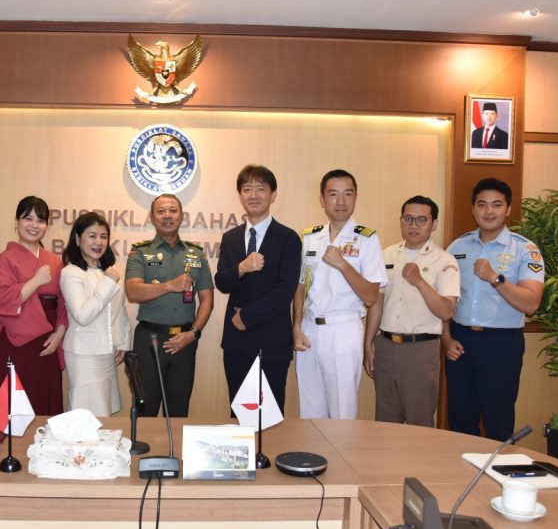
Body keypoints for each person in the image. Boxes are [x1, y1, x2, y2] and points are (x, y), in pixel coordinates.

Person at [443, 178, 544, 441]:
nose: (489, 211)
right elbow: (444, 299)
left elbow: (531, 304)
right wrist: (446, 338)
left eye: (496, 204)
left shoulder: (525, 249)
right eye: (482, 204)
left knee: (498, 421)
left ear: (508, 209)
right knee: (459, 420)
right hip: (460, 341)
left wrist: (495, 278)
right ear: (473, 209)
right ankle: (460, 467)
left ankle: (498, 468)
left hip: (501, 344)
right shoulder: (457, 247)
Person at [292, 169, 386, 419]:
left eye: (348, 194)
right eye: (333, 194)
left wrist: (343, 264)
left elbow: (371, 296)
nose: (341, 201)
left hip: (344, 330)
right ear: (322, 200)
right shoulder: (310, 237)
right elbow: (300, 285)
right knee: (310, 412)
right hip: (309, 329)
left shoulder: (367, 239)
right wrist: (297, 326)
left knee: (342, 413)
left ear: (356, 198)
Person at [363, 196, 459, 427]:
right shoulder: (387, 254)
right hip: (386, 346)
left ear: (433, 224)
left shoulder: (444, 260)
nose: (413, 225)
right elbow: (377, 303)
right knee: (385, 422)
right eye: (408, 219)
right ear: (401, 221)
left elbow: (446, 311)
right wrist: (368, 344)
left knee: (419, 422)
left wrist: (419, 281)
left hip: (421, 350)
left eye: (421, 219)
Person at [215, 164, 301, 412]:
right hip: (236, 341)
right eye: (247, 189)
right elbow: (221, 281)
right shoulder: (231, 237)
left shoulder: (288, 238)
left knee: (269, 415)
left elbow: (286, 289)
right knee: (239, 413)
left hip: (272, 340)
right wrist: (242, 268)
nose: (253, 195)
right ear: (240, 196)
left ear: (273, 195)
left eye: (260, 189)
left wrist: (248, 316)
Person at [125, 194, 214, 417]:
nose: (167, 215)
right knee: (145, 409)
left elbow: (207, 299)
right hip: (149, 339)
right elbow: (133, 292)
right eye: (161, 211)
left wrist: (193, 333)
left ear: (182, 216)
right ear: (152, 217)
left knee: (178, 410)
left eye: (173, 210)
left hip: (185, 340)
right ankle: (144, 442)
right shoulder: (140, 252)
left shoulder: (196, 254)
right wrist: (170, 286)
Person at [0, 196, 68, 415]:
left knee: (42, 399)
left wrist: (59, 333)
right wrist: (35, 282)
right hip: (14, 341)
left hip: (47, 341)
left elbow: (63, 303)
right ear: (17, 222)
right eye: (28, 218)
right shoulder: (5, 259)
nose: (34, 225)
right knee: (13, 404)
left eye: (40, 220)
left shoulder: (55, 261)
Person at [59, 212, 130, 416]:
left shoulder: (107, 270)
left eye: (103, 236)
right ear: (77, 238)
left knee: (104, 411)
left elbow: (120, 310)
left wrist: (123, 342)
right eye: (92, 236)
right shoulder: (71, 272)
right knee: (86, 414)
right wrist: (108, 282)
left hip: (108, 353)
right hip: (84, 354)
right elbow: (83, 315)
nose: (98, 242)